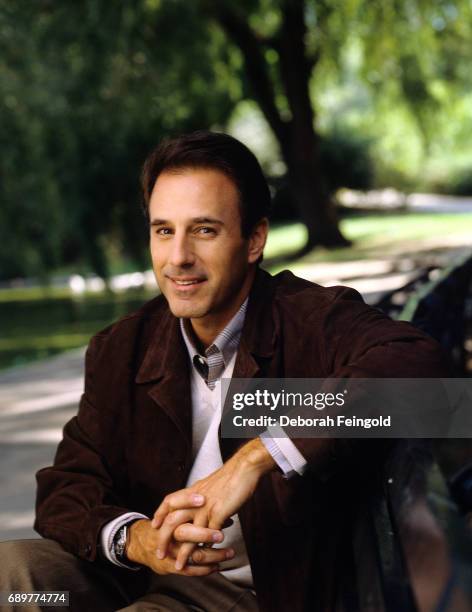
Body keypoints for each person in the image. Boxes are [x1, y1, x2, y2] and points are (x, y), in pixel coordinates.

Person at [0, 131, 448, 612]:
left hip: (246, 593)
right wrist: (137, 539)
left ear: (254, 238)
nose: (178, 258)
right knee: (13, 578)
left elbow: (423, 376)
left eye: (205, 230)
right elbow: (67, 488)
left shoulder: (311, 321)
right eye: (164, 230)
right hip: (133, 577)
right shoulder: (121, 348)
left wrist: (260, 455)